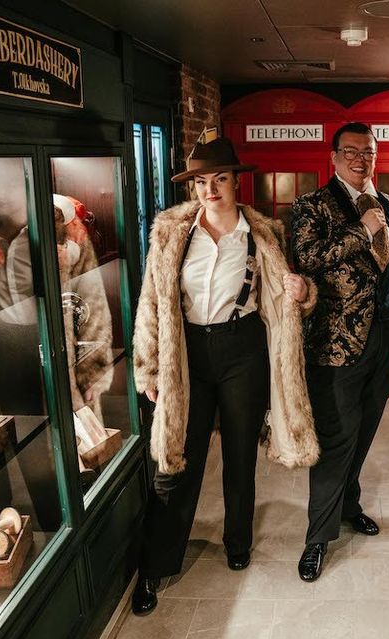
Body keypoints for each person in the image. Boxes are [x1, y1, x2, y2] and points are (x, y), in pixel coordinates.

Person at [130, 135, 320, 614]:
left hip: (243, 351)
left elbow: (287, 294)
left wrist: (305, 293)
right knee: (176, 460)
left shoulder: (263, 236)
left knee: (239, 456)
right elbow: (151, 302)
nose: (210, 189)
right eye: (200, 181)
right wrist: (149, 366)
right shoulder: (171, 235)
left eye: (219, 179)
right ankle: (154, 566)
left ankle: (238, 544)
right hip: (187, 352)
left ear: (236, 181)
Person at [290, 122, 389, 581]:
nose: (361, 159)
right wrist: (361, 231)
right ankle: (316, 540)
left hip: (386, 334)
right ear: (334, 158)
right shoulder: (313, 205)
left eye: (369, 151)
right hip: (337, 344)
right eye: (351, 152)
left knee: (363, 431)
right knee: (334, 441)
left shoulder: (387, 203)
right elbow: (308, 256)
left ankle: (348, 506)